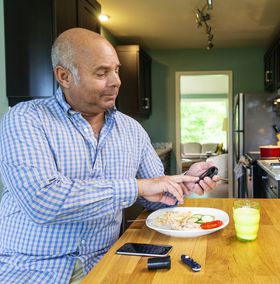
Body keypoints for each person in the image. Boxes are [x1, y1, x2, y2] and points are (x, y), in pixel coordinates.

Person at [0, 28, 219, 283]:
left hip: (105, 261)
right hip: (30, 267)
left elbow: (155, 196)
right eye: (102, 73)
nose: (116, 81)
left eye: (116, 70)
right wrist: (137, 187)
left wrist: (182, 182)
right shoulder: (25, 119)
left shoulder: (132, 130)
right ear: (64, 76)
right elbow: (43, 201)